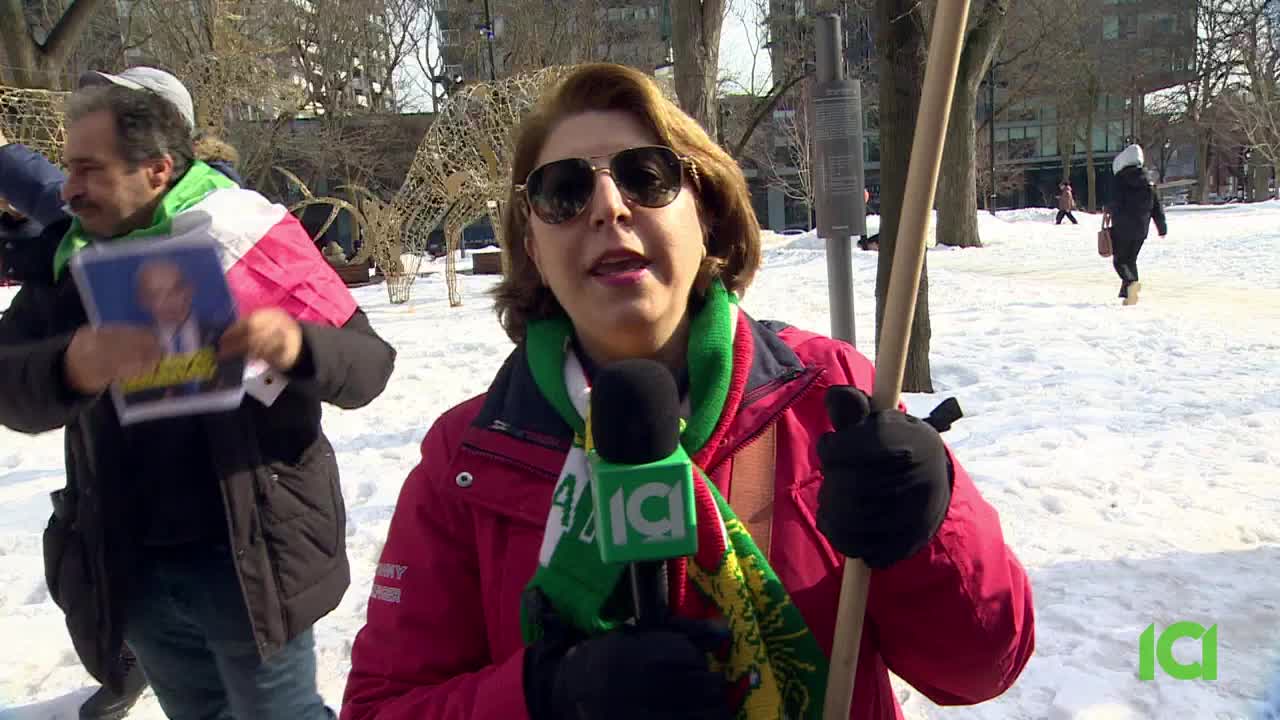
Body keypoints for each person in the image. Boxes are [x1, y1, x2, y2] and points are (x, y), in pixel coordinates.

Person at [340, 63, 1033, 720]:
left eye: (646, 176)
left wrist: (928, 526)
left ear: (706, 212)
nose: (608, 207)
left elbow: (981, 667)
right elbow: (381, 705)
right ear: (532, 241)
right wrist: (549, 694)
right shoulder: (465, 461)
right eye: (564, 191)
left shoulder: (832, 396)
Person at [0, 82, 395, 720]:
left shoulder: (251, 234)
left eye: (89, 170)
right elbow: (7, 382)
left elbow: (370, 367)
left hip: (253, 561)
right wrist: (69, 365)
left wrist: (296, 344)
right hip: (136, 570)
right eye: (68, 168)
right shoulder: (71, 259)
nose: (67, 189)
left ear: (156, 168)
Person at [0, 67, 243, 720]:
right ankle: (130, 668)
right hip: (126, 533)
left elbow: (346, 357)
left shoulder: (227, 217)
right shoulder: (77, 241)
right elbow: (13, 372)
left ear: (163, 157)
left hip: (238, 539)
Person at [1105, 144, 1167, 306]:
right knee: (1131, 259)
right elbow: (1157, 207)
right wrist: (1162, 228)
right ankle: (1129, 295)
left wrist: (1109, 209)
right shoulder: (1149, 183)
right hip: (1141, 229)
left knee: (1119, 261)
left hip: (1122, 228)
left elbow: (1114, 202)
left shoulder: (1119, 180)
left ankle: (1131, 283)